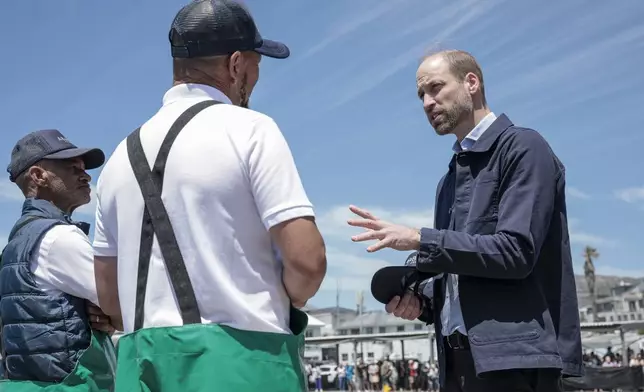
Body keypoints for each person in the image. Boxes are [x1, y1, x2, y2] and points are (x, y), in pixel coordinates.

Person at [92, 0, 326, 391]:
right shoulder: (250, 129)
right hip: (244, 366)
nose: (255, 77)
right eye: (256, 65)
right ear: (236, 65)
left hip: (141, 368)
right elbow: (308, 262)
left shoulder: (118, 158)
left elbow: (109, 298)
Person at [347, 49, 582, 391]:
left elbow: (515, 253)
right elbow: (460, 275)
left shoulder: (523, 148)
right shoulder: (448, 181)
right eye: (421, 95)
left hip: (515, 363)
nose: (427, 102)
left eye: (436, 88)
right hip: (456, 363)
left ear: (471, 82)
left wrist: (419, 238)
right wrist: (423, 301)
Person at [0, 129, 116, 390]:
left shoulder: (18, 241)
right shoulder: (59, 237)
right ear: (39, 176)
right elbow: (125, 305)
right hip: (68, 384)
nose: (86, 175)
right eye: (73, 168)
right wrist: (109, 317)